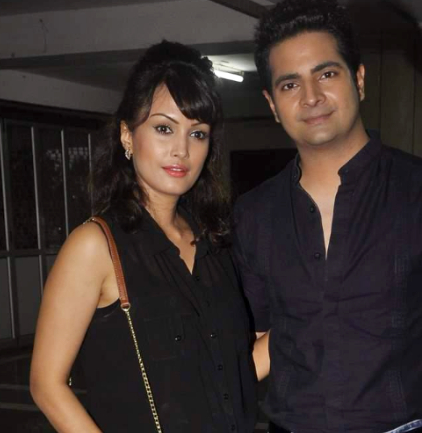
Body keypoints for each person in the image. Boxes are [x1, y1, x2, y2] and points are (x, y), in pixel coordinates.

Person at [232, 1, 422, 432]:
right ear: (272, 103)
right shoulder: (254, 214)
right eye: (290, 84)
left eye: (327, 74)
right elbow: (265, 341)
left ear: (359, 80)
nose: (311, 97)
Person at [30, 40, 258, 433]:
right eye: (164, 128)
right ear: (127, 136)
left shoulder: (214, 242)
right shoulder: (95, 246)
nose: (181, 150)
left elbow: (234, 368)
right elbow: (46, 385)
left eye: (198, 134)